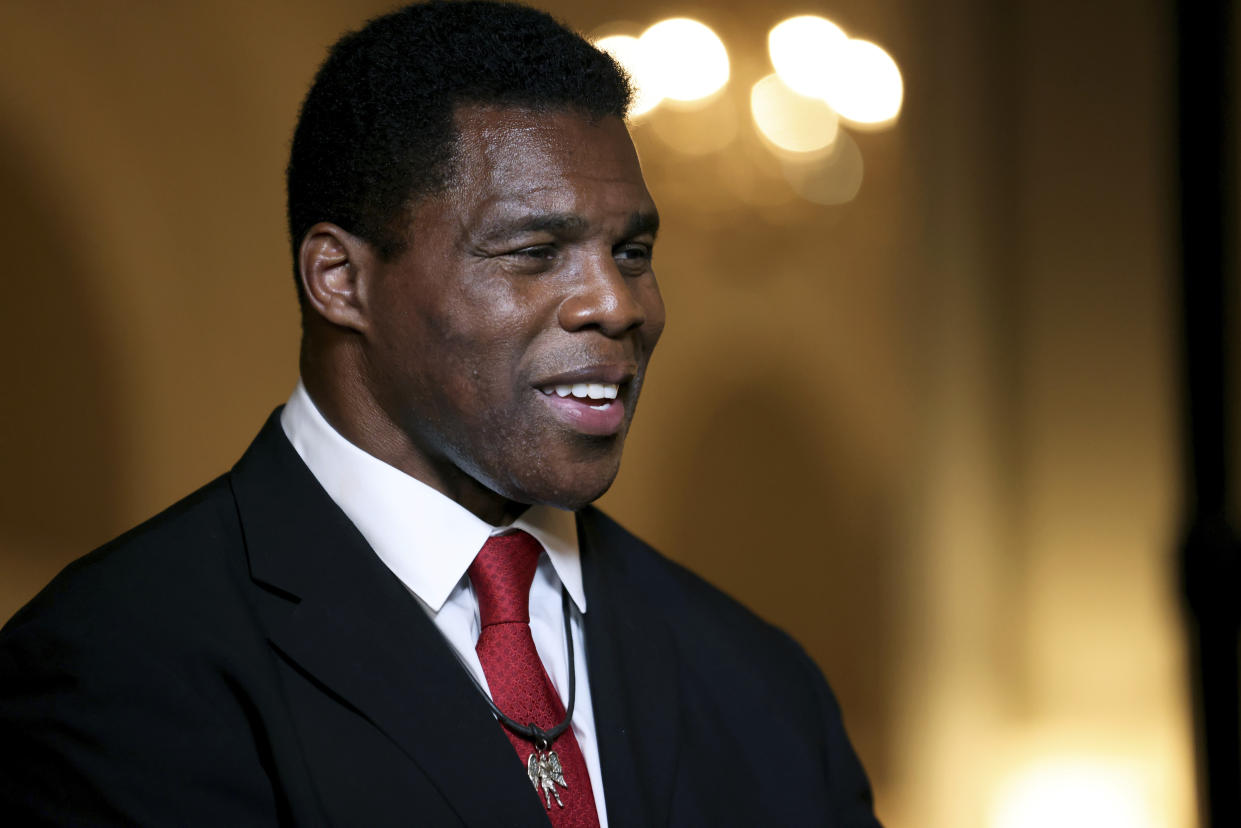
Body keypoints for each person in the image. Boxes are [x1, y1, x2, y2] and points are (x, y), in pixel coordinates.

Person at [0, 3, 882, 826]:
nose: (619, 304)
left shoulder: (761, 683)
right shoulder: (114, 663)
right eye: (536, 251)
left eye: (632, 251)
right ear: (340, 280)